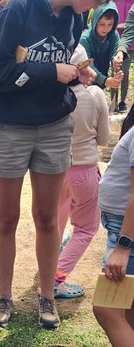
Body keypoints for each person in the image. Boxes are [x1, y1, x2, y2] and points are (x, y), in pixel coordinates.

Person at [0, 0, 125, 332]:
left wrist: (78, 68)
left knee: (47, 217)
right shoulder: (19, 8)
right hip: (9, 126)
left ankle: (46, 296)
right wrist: (50, 73)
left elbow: (66, 52)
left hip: (55, 126)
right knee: (6, 217)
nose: (96, 6)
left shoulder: (74, 17)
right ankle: (4, 298)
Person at [79, 101, 134, 347]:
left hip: (128, 234)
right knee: (127, 307)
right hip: (122, 228)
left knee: (107, 308)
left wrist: (124, 246)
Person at [54, 72, 110, 299]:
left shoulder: (50, 94)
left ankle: (50, 264)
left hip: (54, 169)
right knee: (85, 228)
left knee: (54, 222)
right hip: (83, 169)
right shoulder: (94, 94)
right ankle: (56, 279)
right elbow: (104, 139)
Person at [75, 3, 122, 109]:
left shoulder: (113, 35)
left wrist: (117, 63)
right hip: (85, 82)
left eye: (110, 24)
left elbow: (114, 54)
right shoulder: (85, 39)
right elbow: (87, 65)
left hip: (102, 81)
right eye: (102, 24)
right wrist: (105, 80)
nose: (105, 29)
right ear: (95, 21)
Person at [113, 0, 134, 113]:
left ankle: (122, 101)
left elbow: (132, 23)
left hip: (130, 44)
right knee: (114, 71)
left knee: (125, 72)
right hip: (114, 40)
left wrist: (123, 24)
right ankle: (113, 100)